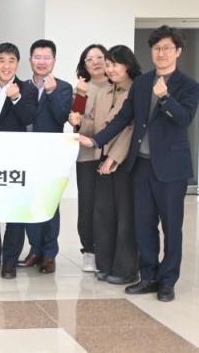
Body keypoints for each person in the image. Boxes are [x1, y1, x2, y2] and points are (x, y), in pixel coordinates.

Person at [79, 25, 199, 302]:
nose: (161, 53)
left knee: (171, 227)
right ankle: (148, 276)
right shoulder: (142, 83)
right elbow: (124, 118)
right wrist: (96, 141)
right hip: (141, 166)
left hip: (171, 169)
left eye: (166, 48)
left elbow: (185, 119)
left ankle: (167, 281)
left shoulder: (189, 85)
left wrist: (166, 97)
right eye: (156, 48)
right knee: (144, 225)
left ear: (178, 51)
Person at [70, 45, 141, 285]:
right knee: (104, 215)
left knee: (125, 216)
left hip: (125, 161)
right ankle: (106, 264)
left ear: (127, 64)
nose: (109, 68)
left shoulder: (136, 90)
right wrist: (79, 126)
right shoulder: (103, 93)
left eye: (112, 63)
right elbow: (93, 124)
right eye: (107, 65)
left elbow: (130, 128)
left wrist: (114, 157)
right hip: (101, 159)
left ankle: (126, 268)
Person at [0, 42, 38, 279]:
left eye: (11, 61)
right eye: (1, 60)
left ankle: (10, 262)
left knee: (15, 213)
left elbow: (29, 117)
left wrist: (16, 98)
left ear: (18, 64)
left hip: (16, 159)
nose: (6, 66)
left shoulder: (27, 89)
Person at [19, 39, 72, 274]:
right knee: (29, 202)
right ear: (30, 60)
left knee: (49, 203)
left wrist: (50, 92)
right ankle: (35, 249)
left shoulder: (63, 88)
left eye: (46, 57)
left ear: (54, 60)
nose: (41, 62)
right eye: (37, 57)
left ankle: (49, 254)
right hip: (26, 154)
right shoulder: (21, 86)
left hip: (51, 155)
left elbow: (61, 117)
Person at [71, 44, 109, 273]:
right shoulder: (82, 88)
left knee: (108, 206)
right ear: (84, 65)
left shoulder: (118, 84)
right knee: (87, 204)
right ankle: (89, 250)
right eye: (89, 59)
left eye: (99, 57)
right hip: (86, 155)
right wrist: (80, 96)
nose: (95, 61)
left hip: (112, 154)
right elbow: (76, 123)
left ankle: (107, 251)